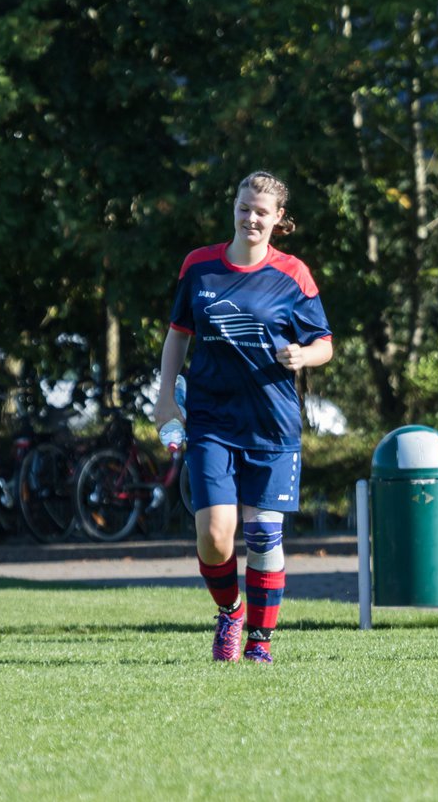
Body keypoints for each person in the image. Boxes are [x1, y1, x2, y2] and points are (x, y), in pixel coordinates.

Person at [154, 171, 333, 663]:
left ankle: (259, 642)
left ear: (278, 219)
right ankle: (231, 611)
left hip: (272, 426)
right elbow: (177, 334)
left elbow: (325, 344)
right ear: (233, 208)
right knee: (214, 536)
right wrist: (165, 397)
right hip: (211, 420)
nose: (251, 218)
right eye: (244, 208)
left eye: (261, 211)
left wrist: (303, 356)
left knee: (262, 535)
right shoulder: (200, 267)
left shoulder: (293, 273)